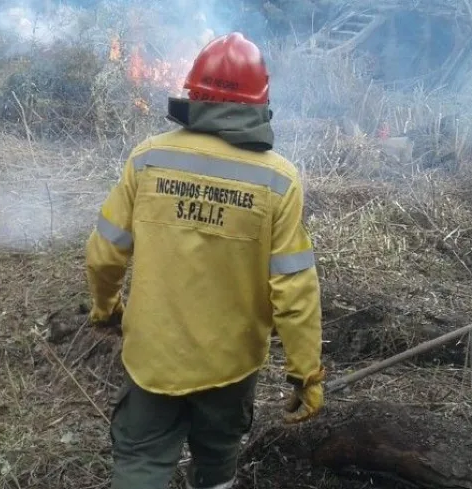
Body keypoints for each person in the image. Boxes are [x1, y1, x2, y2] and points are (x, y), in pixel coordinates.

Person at [84, 32, 325, 489]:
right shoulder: (278, 181)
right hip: (229, 365)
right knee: (216, 468)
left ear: (193, 92)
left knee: (140, 464)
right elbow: (294, 288)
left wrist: (106, 307)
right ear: (259, 103)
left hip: (152, 356)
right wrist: (305, 373)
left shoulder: (149, 158)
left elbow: (104, 252)